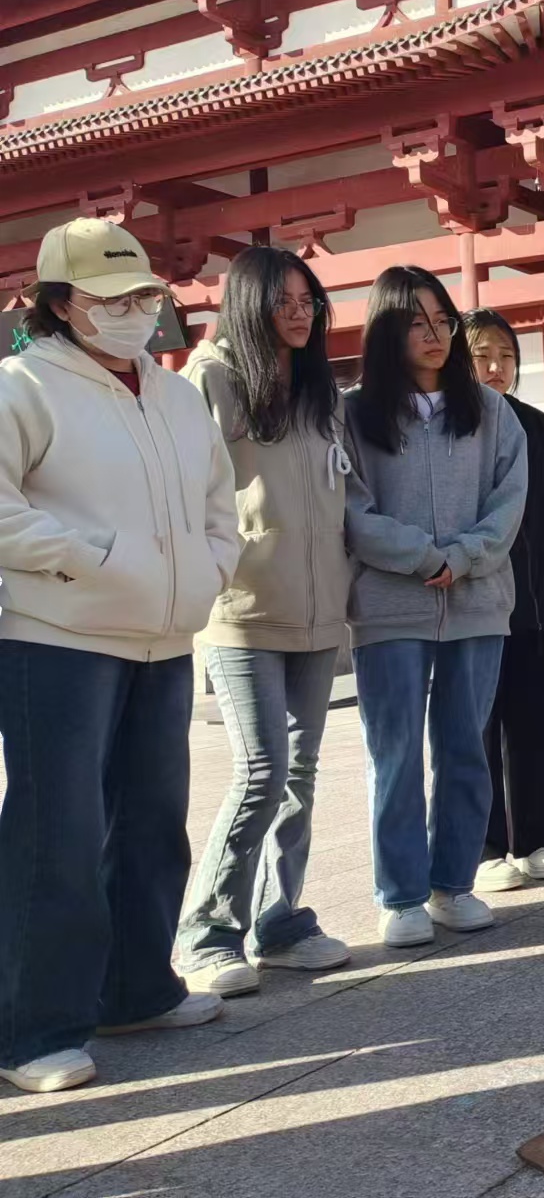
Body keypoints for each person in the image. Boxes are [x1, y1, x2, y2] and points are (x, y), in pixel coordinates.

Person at [0, 218, 239, 1093]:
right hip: (56, 638)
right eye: (110, 298)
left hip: (165, 636)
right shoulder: (21, 386)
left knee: (152, 822)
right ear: (60, 303)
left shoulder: (176, 394)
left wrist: (211, 569)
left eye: (143, 294)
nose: (133, 310)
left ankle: (138, 988)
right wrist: (89, 559)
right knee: (54, 835)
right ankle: (30, 1029)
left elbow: (219, 503)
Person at [175, 246, 354, 998]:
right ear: (248, 303)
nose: (299, 312)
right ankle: (208, 933)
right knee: (261, 770)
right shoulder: (211, 378)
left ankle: (281, 924)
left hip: (317, 610)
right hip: (242, 611)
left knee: (300, 774)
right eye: (283, 300)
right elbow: (187, 496)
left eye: (308, 299)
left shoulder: (318, 390)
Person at [344, 267, 527, 947]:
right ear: (386, 330)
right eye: (416, 322)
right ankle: (400, 895)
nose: (434, 334)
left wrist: (465, 556)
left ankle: (454, 883)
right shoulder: (352, 413)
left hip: (477, 602)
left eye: (443, 320)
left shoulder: (492, 411)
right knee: (393, 753)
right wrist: (424, 557)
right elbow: (352, 511)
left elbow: (509, 502)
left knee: (463, 747)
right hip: (389, 607)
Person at [464, 308, 544, 890]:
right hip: (477, 605)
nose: (496, 367)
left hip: (535, 603)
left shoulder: (535, 424)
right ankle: (487, 847)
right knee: (482, 730)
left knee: (533, 727)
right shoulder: (451, 425)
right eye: (482, 356)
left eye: (507, 356)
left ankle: (536, 839)